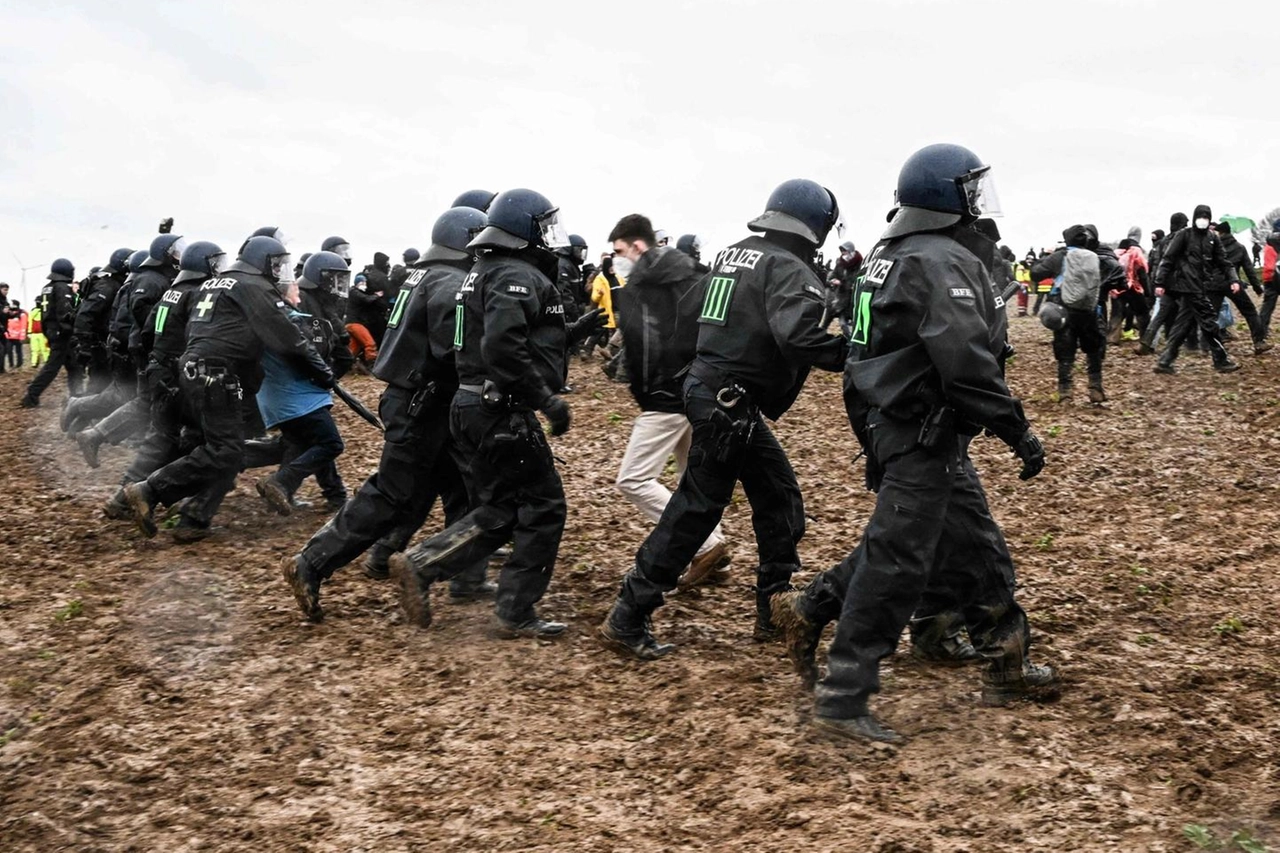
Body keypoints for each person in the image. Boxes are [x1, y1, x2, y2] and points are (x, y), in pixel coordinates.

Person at [770, 143, 1054, 744]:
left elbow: (858, 356)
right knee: (895, 563)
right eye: (971, 189)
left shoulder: (889, 254)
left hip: (907, 428)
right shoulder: (936, 260)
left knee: (974, 548)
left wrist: (877, 437)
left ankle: (1005, 663)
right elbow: (966, 365)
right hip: (921, 431)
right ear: (946, 196)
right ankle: (843, 701)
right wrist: (1016, 427)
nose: (980, 200)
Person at [598, 178, 848, 660]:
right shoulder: (790, 269)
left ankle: (774, 612)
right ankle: (628, 614)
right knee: (695, 511)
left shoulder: (735, 253)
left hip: (718, 395)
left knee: (779, 500)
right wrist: (854, 353)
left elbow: (688, 313)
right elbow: (799, 339)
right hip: (729, 402)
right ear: (815, 225)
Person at [393, 188, 604, 638]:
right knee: (545, 507)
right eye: (543, 225)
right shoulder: (516, 275)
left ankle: (424, 565)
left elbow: (518, 335)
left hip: (473, 405)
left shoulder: (486, 270)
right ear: (524, 229)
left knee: (504, 508)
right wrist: (547, 400)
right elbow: (504, 349)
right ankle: (515, 610)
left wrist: (572, 331)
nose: (551, 235)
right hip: (500, 411)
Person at [282, 209, 494, 622]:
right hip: (424, 404)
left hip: (424, 401)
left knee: (464, 492)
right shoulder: (449, 282)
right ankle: (310, 562)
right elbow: (453, 352)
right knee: (390, 495)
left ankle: (467, 578)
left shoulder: (424, 274)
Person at [121, 236, 332, 539]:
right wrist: (323, 374)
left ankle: (185, 511)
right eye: (276, 264)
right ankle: (150, 491)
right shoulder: (253, 286)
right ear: (263, 261)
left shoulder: (215, 283)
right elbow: (292, 340)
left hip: (195, 373)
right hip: (217, 377)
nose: (279, 271)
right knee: (226, 452)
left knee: (215, 446)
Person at [608, 213, 731, 588]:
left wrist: (657, 389)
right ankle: (718, 561)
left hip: (666, 397)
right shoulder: (689, 274)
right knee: (689, 480)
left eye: (619, 251)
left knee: (633, 479)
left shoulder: (651, 285)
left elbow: (655, 345)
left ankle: (707, 546)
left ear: (638, 246)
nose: (616, 258)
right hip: (694, 390)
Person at [1152, 205, 1241, 374]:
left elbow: (1224, 262)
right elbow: (1168, 259)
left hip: (1200, 287)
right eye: (1201, 216)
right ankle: (1221, 360)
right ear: (1194, 218)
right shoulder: (1184, 235)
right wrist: (1160, 282)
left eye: (1206, 217)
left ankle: (1165, 361)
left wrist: (1234, 279)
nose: (1203, 220)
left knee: (1183, 324)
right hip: (1187, 287)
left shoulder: (1212, 238)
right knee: (1209, 322)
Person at [20, 259, 78, 408]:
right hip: (62, 333)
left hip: (53, 331)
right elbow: (64, 312)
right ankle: (31, 395)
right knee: (52, 368)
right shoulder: (62, 287)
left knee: (74, 366)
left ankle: (77, 397)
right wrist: (71, 329)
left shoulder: (47, 288)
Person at [1209, 221, 1268, 354]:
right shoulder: (1240, 247)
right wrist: (1257, 287)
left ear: (1220, 232)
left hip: (1214, 285)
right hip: (1233, 283)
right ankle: (1259, 341)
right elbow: (1249, 269)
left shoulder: (1213, 246)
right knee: (1250, 312)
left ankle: (1206, 344)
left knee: (1211, 315)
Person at [1259, 223, 1280, 338]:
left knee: (1267, 308)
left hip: (1270, 279)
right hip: (1274, 277)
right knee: (1267, 308)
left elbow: (1269, 266)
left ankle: (1261, 331)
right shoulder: (1275, 245)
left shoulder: (1269, 245)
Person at [6, 301, 27, 369]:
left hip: (18, 337)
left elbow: (23, 326)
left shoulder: (22, 314)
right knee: (9, 351)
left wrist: (22, 337)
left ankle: (19, 364)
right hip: (9, 336)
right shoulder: (8, 314)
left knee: (18, 351)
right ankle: (11, 364)